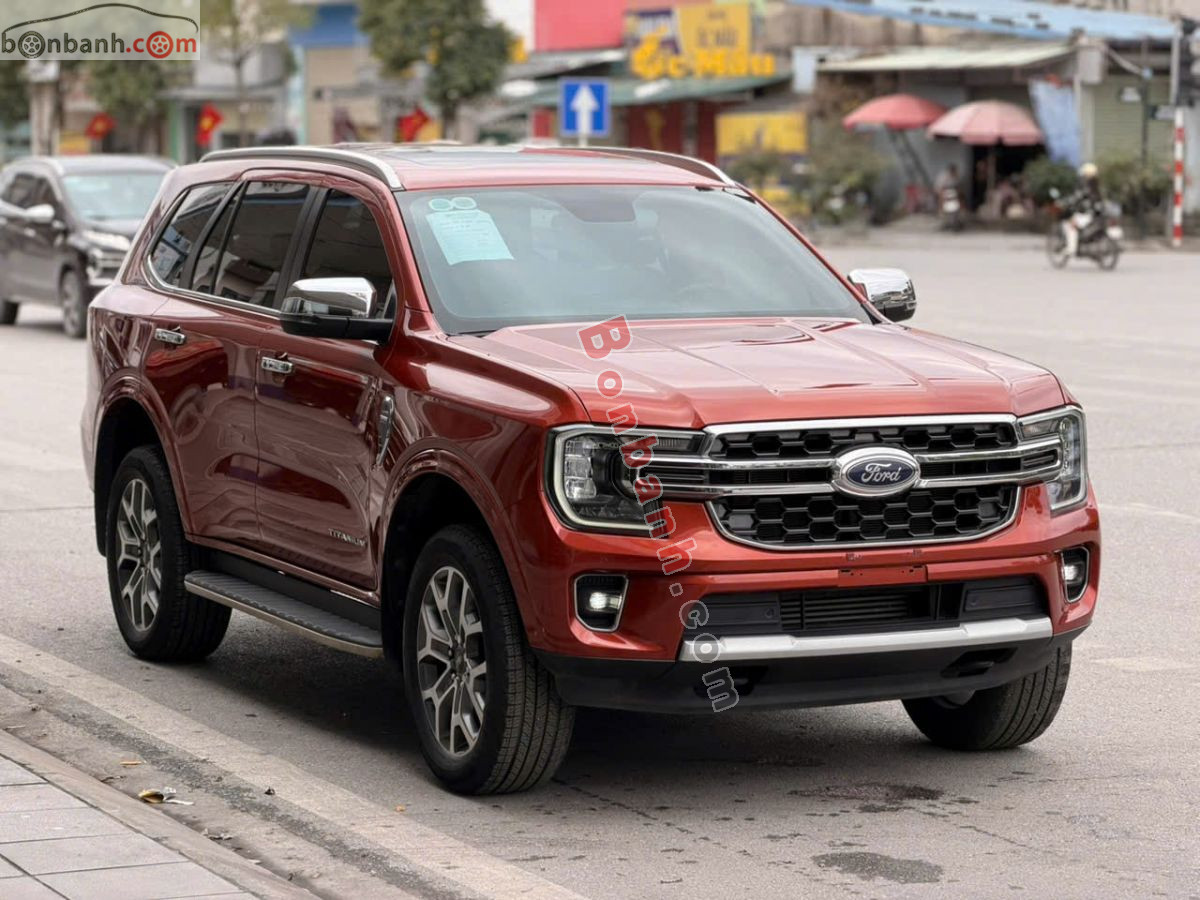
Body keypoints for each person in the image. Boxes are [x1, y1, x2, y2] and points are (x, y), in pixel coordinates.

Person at [1061, 162, 1105, 258]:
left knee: (1070, 225)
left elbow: (1076, 198)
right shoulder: (1097, 187)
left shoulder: (1085, 188)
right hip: (1095, 215)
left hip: (1087, 215)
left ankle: (1071, 248)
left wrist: (1066, 203)